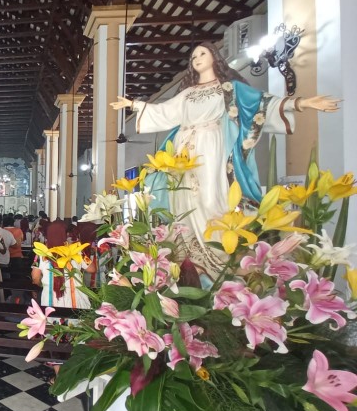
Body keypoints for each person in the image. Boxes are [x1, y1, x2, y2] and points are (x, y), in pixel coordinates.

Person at [111, 42, 340, 277]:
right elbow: (164, 112)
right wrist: (133, 104)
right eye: (193, 55)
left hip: (210, 149)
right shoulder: (187, 94)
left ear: (214, 58)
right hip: (182, 153)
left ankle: (219, 261)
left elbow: (263, 103)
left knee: (211, 199)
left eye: (202, 53)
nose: (197, 58)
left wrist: (302, 103)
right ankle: (189, 262)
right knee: (182, 199)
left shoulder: (229, 89)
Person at [31, 220, 92, 384]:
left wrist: (43, 283)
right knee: (77, 336)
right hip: (75, 302)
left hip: (52, 304)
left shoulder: (42, 255)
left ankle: (59, 377)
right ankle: (75, 375)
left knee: (55, 338)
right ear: (65, 235)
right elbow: (92, 269)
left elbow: (35, 278)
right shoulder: (76, 251)